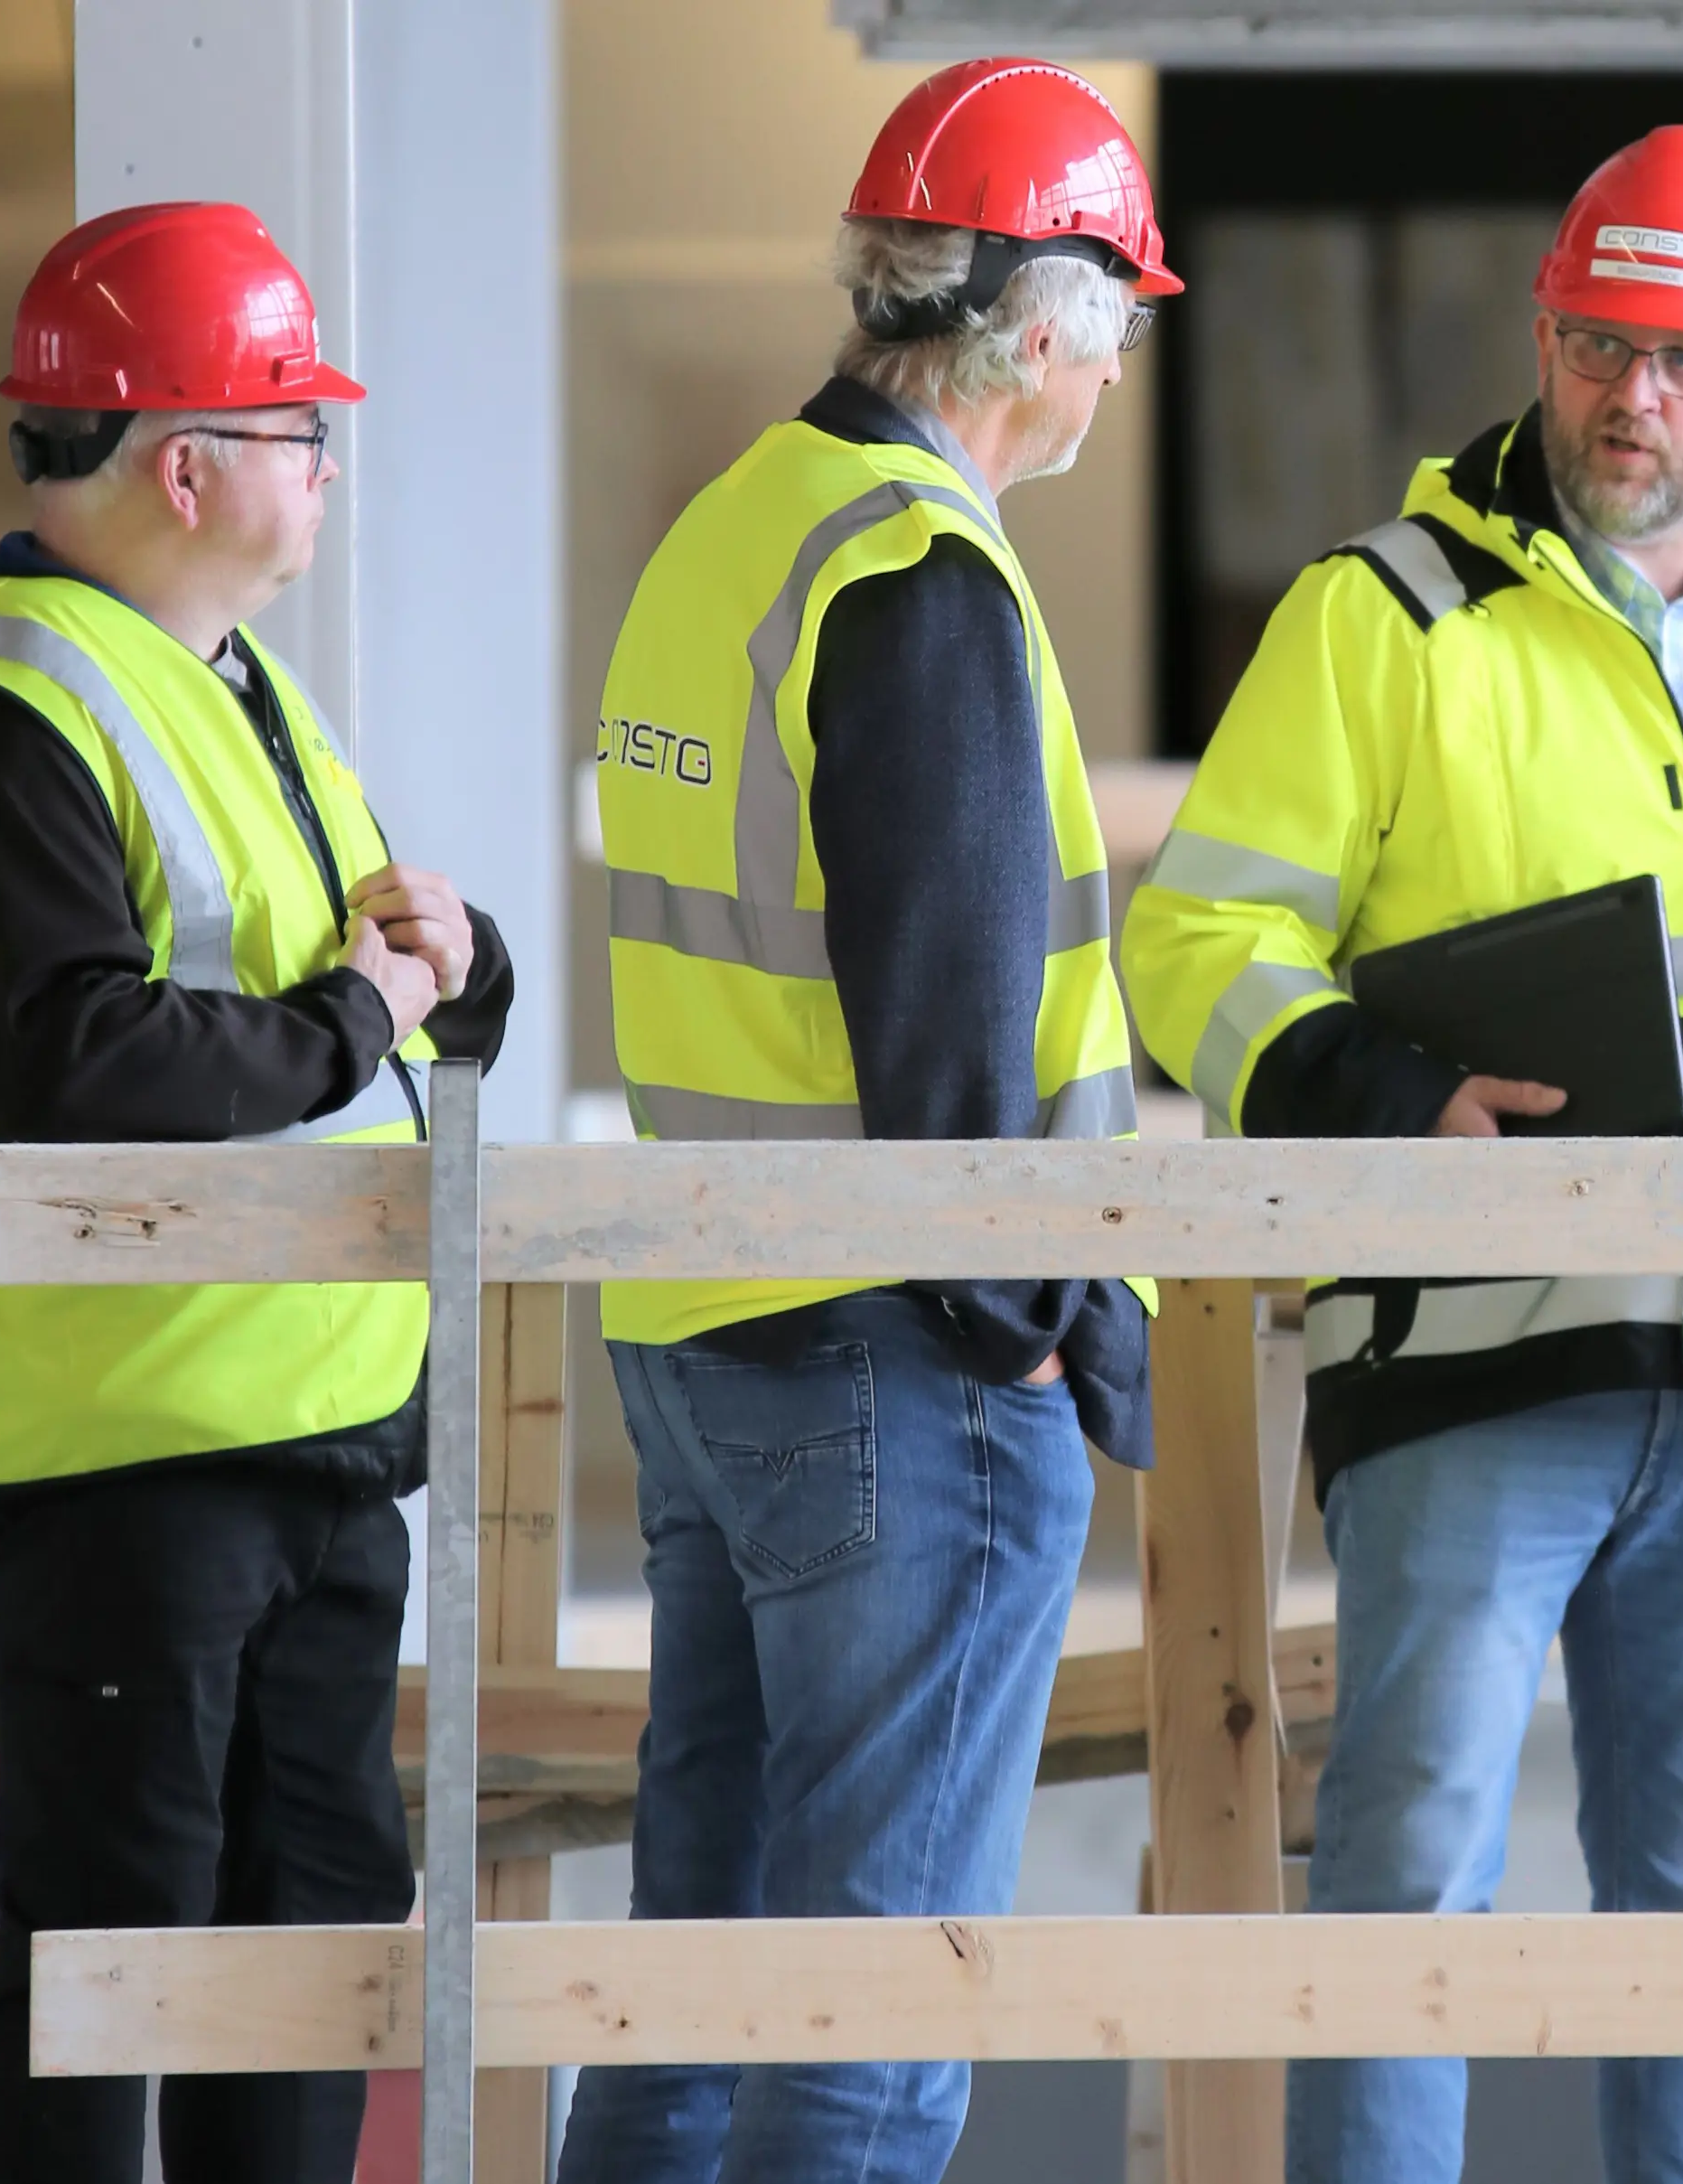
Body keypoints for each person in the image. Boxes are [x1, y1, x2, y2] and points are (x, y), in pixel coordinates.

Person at [1121, 124, 1683, 2184]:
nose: (1634, 398)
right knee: (1408, 1877)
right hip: (1471, 1354)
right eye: (1601, 345)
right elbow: (1198, 938)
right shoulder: (1387, 617)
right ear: (1545, 337)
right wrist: (1384, 1096)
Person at [0, 201, 514, 2183]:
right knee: (112, 1945)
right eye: (302, 427)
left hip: (314, 1421)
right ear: (185, 465)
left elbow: (335, 989)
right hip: (131, 1437)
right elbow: (75, 1060)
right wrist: (363, 1015)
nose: (328, 466)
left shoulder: (231, 679)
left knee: (306, 1944)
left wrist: (458, 970)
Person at [557, 55, 1170, 2184]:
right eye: (1118, 316)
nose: (1120, 363)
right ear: (1041, 326)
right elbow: (953, 1044)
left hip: (713, 1326)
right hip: (906, 1365)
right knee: (869, 2016)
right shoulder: (919, 574)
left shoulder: (742, 523)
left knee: (697, 1992)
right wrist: (1032, 1335)